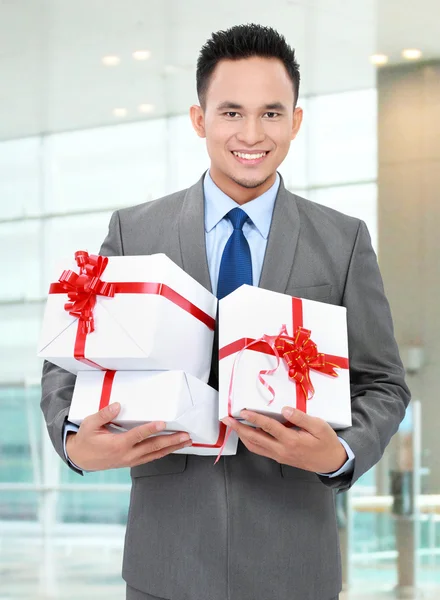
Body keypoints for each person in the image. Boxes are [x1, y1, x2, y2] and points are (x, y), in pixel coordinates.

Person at [40, 23, 411, 600]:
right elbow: (74, 356)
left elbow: (383, 381)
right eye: (231, 112)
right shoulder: (135, 231)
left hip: (294, 561)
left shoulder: (342, 241)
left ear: (295, 121)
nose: (251, 134)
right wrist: (73, 440)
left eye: (271, 113)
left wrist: (340, 453)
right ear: (199, 119)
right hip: (166, 561)